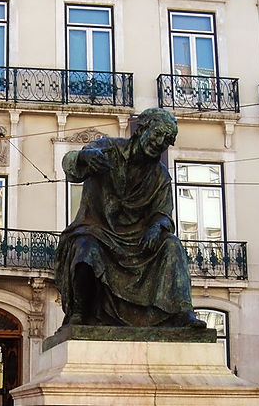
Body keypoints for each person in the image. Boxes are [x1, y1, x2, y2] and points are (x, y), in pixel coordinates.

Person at [56, 108, 204, 328]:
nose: (160, 143)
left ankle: (182, 312)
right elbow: (70, 165)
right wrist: (85, 156)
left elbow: (163, 213)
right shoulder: (109, 149)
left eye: (166, 141)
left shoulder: (160, 174)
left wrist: (157, 227)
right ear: (141, 130)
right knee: (85, 247)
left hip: (138, 242)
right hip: (99, 232)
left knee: (171, 245)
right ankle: (80, 312)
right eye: (157, 134)